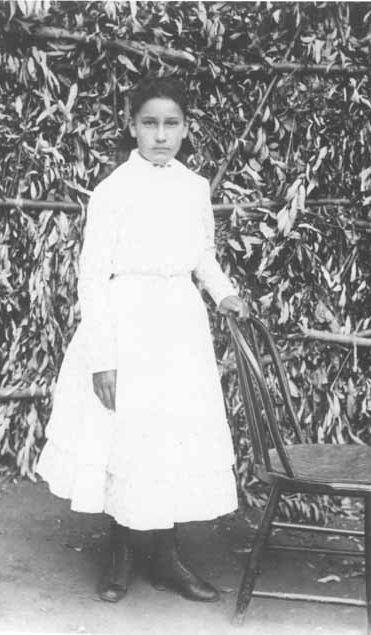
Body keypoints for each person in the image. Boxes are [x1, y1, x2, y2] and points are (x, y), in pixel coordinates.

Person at [37, 76, 249, 604]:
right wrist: (103, 358)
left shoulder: (195, 187)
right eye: (149, 123)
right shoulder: (113, 191)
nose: (160, 135)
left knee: (170, 440)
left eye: (171, 124)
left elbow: (202, 255)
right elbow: (92, 276)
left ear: (185, 129)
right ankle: (121, 554)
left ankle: (168, 559)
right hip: (126, 324)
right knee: (128, 440)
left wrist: (223, 294)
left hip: (179, 329)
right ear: (132, 127)